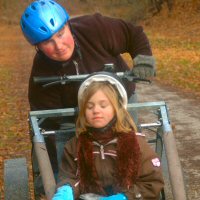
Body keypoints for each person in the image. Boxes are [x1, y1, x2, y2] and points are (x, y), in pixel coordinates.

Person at [20, 0, 156, 196]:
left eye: (60, 34)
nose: (58, 45)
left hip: (121, 100)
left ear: (68, 25)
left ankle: (132, 189)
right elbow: (46, 125)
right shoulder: (41, 75)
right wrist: (51, 174)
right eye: (48, 42)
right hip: (77, 115)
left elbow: (133, 34)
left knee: (129, 141)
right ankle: (75, 187)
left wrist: (144, 59)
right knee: (71, 148)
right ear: (37, 47)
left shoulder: (95, 29)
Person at [52, 72, 164, 200]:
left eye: (103, 105)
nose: (96, 110)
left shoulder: (136, 143)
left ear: (117, 108)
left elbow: (151, 182)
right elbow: (68, 176)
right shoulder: (74, 146)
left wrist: (125, 197)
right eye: (89, 106)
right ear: (83, 112)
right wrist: (67, 188)